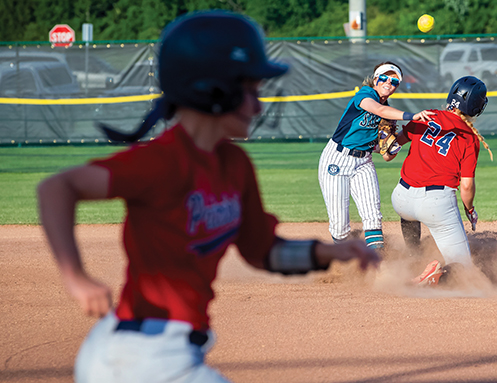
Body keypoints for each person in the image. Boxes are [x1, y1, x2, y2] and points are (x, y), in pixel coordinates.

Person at [37, 11, 380, 383]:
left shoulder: (234, 164)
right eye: (248, 90)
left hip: (172, 351)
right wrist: (76, 277)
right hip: (140, 356)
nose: (258, 106)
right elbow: (58, 187)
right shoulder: (163, 161)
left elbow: (262, 251)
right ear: (211, 90)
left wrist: (331, 251)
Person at [389, 75, 493, 286]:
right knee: (463, 270)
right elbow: (466, 186)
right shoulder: (469, 137)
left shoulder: (426, 116)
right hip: (436, 204)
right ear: (476, 107)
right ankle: (433, 276)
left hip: (401, 197)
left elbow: (392, 147)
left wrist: (384, 135)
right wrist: (470, 210)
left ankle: (412, 257)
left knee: (409, 214)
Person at [318, 62, 434, 251]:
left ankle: (377, 268)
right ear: (375, 79)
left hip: (363, 162)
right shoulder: (365, 94)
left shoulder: (388, 112)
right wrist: (412, 116)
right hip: (338, 159)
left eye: (394, 81)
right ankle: (344, 264)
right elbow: (378, 110)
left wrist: (398, 140)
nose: (389, 82)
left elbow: (387, 156)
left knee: (373, 217)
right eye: (384, 78)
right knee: (339, 227)